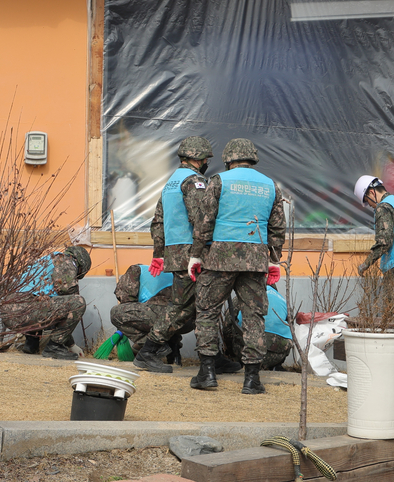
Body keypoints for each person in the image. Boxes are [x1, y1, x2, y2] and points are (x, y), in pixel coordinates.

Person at [188, 138, 287, 394]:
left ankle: (207, 373)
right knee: (254, 316)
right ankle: (252, 379)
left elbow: (204, 221)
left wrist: (196, 255)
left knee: (208, 310)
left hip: (221, 256)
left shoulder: (219, 181)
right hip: (255, 259)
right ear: (252, 158)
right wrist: (274, 259)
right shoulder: (271, 186)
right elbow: (277, 228)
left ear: (228, 159)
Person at [134, 136, 214, 373]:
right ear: (198, 158)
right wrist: (200, 252)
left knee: (199, 306)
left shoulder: (170, 183)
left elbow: (157, 222)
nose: (207, 161)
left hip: (175, 251)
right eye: (206, 158)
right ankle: (149, 350)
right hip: (193, 253)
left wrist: (159, 254)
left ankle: (213, 356)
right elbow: (201, 219)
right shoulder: (194, 182)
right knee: (186, 307)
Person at [3, 244, 93, 360]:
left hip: (9, 313)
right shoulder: (67, 261)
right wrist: (70, 344)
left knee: (44, 301)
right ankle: (54, 348)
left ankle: (31, 344)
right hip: (25, 309)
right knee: (78, 302)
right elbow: (68, 300)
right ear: (80, 263)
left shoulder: (46, 260)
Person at [109, 262, 190, 364]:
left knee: (117, 313)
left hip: (163, 317)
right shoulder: (166, 271)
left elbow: (126, 299)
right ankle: (174, 355)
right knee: (166, 314)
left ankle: (157, 346)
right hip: (188, 322)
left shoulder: (135, 270)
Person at [223, 283, 291, 371]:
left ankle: (240, 363)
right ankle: (276, 365)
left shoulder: (244, 296)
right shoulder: (282, 300)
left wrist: (231, 353)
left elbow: (227, 324)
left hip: (246, 352)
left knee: (235, 325)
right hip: (276, 354)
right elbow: (291, 328)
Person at [354, 175, 394, 276]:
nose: (369, 205)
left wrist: (366, 264)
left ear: (372, 192)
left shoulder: (383, 208)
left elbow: (384, 242)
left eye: (367, 200)